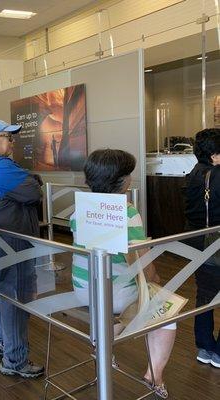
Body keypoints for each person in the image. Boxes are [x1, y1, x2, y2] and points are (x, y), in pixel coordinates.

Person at [70, 149, 176, 398]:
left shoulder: (79, 210)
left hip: (83, 290)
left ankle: (103, 346)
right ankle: (154, 375)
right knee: (167, 310)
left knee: (123, 310)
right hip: (115, 294)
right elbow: (143, 262)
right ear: (123, 180)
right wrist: (155, 282)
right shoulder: (126, 213)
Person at [0, 119, 44, 378]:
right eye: (8, 137)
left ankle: (2, 344)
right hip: (15, 240)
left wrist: (30, 180)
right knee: (15, 296)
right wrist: (33, 180)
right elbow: (34, 192)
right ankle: (15, 360)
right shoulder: (2, 167)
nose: (12, 142)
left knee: (1, 290)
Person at [184, 128, 220, 369]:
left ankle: (205, 347)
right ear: (215, 155)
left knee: (205, 294)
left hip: (197, 243)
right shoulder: (217, 175)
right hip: (216, 243)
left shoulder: (194, 174)